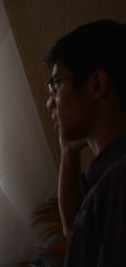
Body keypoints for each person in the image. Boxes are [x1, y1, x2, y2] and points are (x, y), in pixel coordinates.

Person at [45, 19, 126, 266]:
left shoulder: (119, 181)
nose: (50, 103)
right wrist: (68, 149)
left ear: (97, 84)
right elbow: (75, 227)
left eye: (57, 85)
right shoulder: (108, 170)